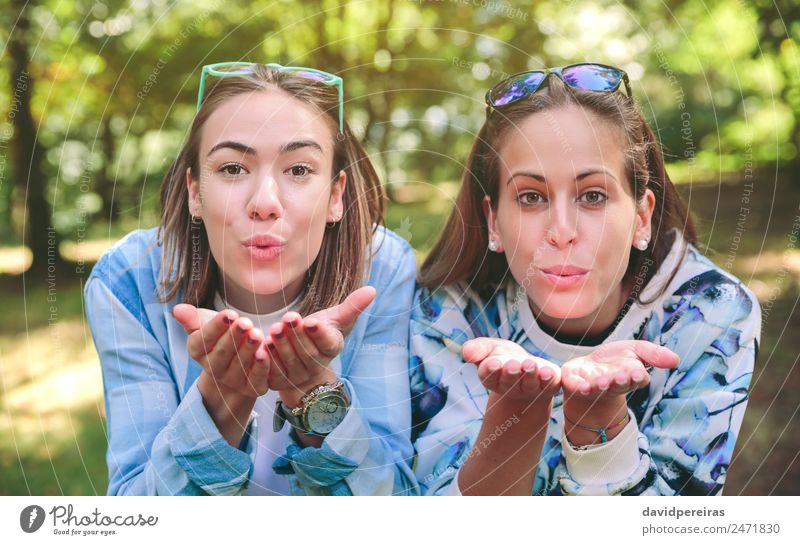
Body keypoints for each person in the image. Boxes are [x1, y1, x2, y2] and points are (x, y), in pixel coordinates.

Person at [409, 63, 760, 495]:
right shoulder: (449, 314)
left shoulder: (711, 312)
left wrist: (600, 425)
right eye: (531, 197)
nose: (561, 230)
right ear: (494, 221)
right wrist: (516, 410)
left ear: (641, 216)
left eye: (593, 196)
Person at [85, 62, 417, 495]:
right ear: (193, 191)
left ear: (336, 195)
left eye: (298, 170)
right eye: (232, 169)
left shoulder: (383, 269)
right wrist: (220, 403)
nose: (264, 203)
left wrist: (316, 393)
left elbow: (397, 505)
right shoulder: (129, 281)